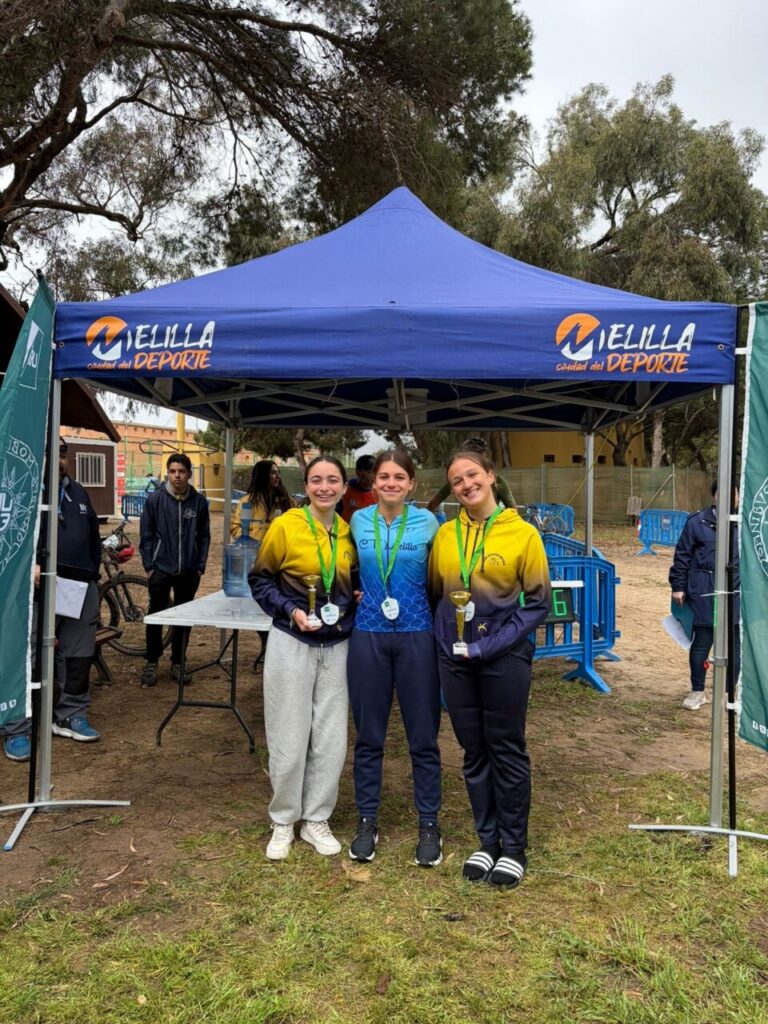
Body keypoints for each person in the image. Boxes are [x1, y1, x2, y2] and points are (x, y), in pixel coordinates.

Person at [428, 449, 551, 888]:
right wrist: (448, 643)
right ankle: (488, 840)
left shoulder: (524, 534)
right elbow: (436, 594)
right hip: (456, 659)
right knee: (473, 748)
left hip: (504, 656)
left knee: (506, 747)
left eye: (472, 474)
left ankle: (513, 847)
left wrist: (489, 645)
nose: (466, 484)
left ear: (491, 476)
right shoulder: (445, 535)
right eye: (457, 480)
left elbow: (538, 603)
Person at [249, 456, 356, 861]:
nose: (324, 487)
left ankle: (316, 818)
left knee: (331, 739)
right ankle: (283, 820)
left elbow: (351, 583)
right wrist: (290, 610)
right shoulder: (286, 525)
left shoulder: (348, 533)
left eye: (333, 480)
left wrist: (355, 597)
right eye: (316, 480)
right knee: (288, 735)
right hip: (292, 640)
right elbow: (260, 580)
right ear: (306, 486)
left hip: (338, 645)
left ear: (344, 487)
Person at [347, 450, 442, 867]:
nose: (390, 483)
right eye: (384, 476)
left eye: (399, 477)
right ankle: (367, 820)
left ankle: (429, 822)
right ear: (374, 482)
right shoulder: (357, 521)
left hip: (416, 633)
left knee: (423, 736)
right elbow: (347, 567)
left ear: (411, 484)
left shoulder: (428, 523)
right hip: (368, 633)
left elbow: (439, 578)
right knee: (369, 735)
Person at [2, 441, 102, 761]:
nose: (57, 460)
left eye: (61, 454)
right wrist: (26, 566)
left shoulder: (78, 492)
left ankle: (71, 714)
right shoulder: (20, 489)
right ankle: (17, 726)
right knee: (25, 656)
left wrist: (92, 573)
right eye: (48, 453)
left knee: (78, 654)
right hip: (32, 587)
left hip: (78, 586)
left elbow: (93, 537)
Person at [139, 453, 210, 688]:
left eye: (181, 471)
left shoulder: (199, 502)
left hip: (189, 571)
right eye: (172, 471)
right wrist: (149, 566)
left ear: (189, 474)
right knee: (156, 616)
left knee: (183, 618)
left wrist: (199, 567)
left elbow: (204, 536)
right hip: (161, 568)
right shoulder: (155, 500)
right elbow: (146, 535)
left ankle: (178, 662)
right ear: (167, 473)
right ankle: (152, 662)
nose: (177, 476)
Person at [669, 481, 740, 710]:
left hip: (735, 590)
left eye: (733, 494)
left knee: (734, 645)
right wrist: (678, 586)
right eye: (722, 493)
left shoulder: (745, 522)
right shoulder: (697, 522)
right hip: (703, 589)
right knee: (702, 642)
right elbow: (682, 556)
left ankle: (729, 694)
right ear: (713, 497)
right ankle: (697, 691)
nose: (729, 498)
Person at [231, 460, 294, 667]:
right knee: (260, 603)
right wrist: (249, 541)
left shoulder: (287, 502)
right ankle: (266, 642)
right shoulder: (247, 502)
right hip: (255, 561)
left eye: (278, 473)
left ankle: (276, 645)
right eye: (273, 473)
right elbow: (235, 527)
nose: (277, 476)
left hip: (282, 563)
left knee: (280, 602)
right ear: (263, 475)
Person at [426, 436, 515, 515]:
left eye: (473, 474)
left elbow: (512, 509)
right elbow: (433, 503)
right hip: (463, 525)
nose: (467, 484)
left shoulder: (498, 481)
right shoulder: (456, 482)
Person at [338, 454, 377, 522]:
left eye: (375, 472)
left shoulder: (379, 494)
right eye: (369, 472)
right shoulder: (345, 491)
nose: (373, 476)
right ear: (358, 472)